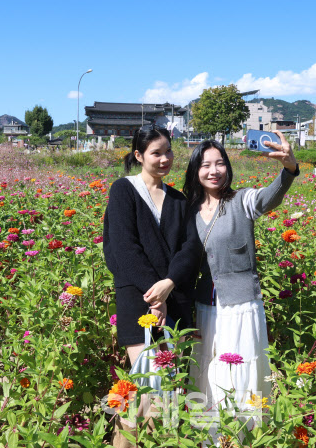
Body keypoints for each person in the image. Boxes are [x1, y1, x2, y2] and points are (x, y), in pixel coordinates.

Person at [183, 132, 299, 438]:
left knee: (241, 371)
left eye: (220, 163)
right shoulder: (189, 211)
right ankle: (210, 438)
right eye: (206, 164)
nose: (214, 170)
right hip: (205, 306)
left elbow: (270, 196)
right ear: (196, 170)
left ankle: (245, 436)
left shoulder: (242, 200)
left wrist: (288, 169)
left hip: (242, 305)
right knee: (207, 371)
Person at [103, 127, 200, 445]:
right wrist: (154, 294)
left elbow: (190, 249)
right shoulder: (123, 190)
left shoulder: (179, 201)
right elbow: (123, 249)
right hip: (137, 301)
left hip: (174, 300)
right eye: (156, 152)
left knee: (170, 387)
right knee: (146, 384)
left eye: (168, 151)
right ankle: (125, 441)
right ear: (139, 156)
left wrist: (168, 285)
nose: (165, 158)